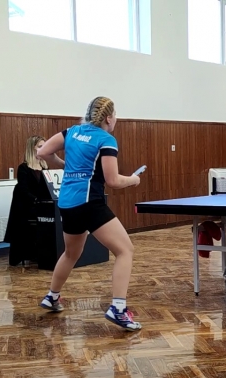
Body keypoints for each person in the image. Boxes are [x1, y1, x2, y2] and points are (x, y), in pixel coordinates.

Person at [36, 97, 143, 331]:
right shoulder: (106, 139)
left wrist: (64, 165)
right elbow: (113, 181)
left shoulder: (72, 132)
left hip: (67, 203)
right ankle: (118, 309)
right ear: (108, 118)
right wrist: (133, 180)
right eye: (116, 115)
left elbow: (42, 152)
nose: (116, 119)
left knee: (71, 253)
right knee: (125, 250)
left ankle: (52, 296)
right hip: (89, 203)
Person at [4, 135, 55, 266]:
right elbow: (24, 190)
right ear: (32, 148)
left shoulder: (45, 167)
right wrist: (37, 201)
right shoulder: (23, 168)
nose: (44, 149)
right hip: (26, 206)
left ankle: (47, 252)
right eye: (40, 146)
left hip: (39, 204)